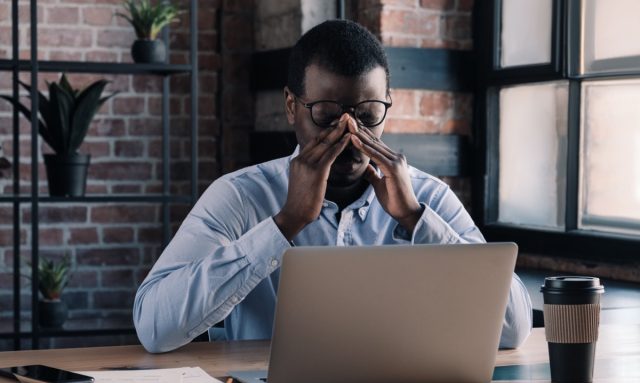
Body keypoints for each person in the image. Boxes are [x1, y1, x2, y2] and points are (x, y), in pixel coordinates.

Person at [134, 19, 532, 354]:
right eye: (326, 115)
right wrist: (284, 224)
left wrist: (415, 219)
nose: (350, 133)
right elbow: (154, 327)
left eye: (369, 114)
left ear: (386, 105)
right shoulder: (241, 196)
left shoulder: (426, 197)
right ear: (292, 106)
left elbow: (514, 329)